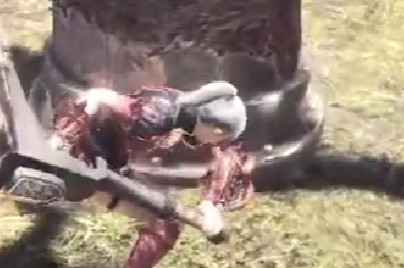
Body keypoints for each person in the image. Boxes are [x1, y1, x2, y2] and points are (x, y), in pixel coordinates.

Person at [52, 81, 255, 268]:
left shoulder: (180, 111)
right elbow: (100, 97)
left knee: (167, 223)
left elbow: (224, 156)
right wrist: (64, 137)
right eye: (220, 138)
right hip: (74, 163)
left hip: (100, 170)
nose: (213, 144)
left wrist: (211, 203)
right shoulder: (160, 112)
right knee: (166, 221)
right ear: (217, 130)